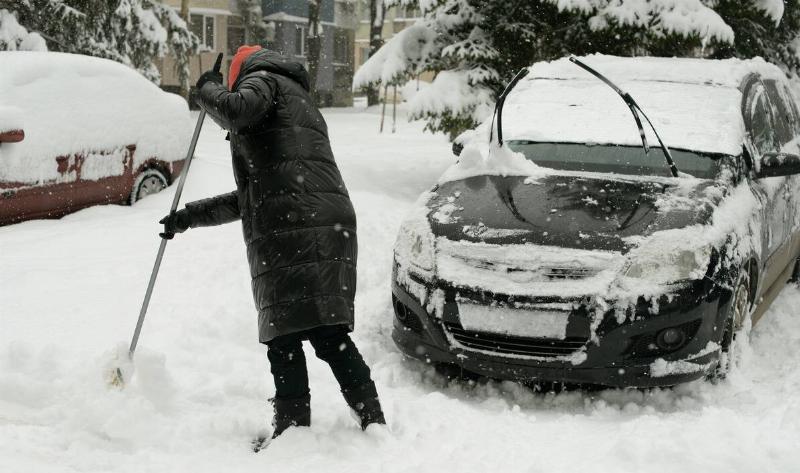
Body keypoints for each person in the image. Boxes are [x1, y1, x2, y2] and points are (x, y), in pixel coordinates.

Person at [159, 45, 386, 439]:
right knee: (326, 332)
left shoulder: (263, 80)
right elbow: (251, 197)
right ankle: (372, 421)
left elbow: (235, 108)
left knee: (285, 336)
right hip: (317, 219)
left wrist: (206, 90)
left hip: (294, 222)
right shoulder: (293, 97)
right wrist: (188, 217)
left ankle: (294, 432)